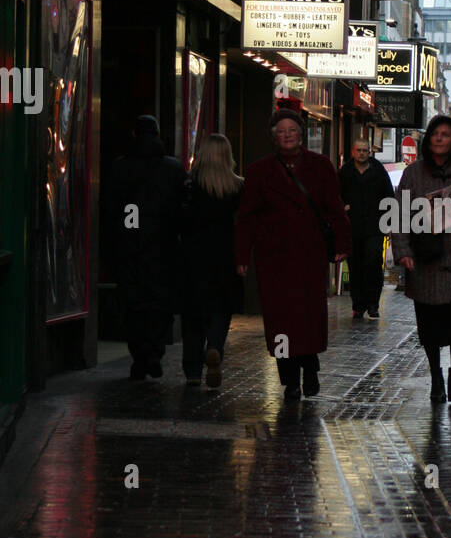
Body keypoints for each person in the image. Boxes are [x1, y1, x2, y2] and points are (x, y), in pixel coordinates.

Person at [234, 108, 350, 400]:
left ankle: (310, 369)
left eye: (292, 130)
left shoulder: (321, 166)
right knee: (281, 319)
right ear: (274, 137)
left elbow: (335, 210)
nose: (286, 135)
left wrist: (341, 246)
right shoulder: (259, 171)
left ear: (301, 134)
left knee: (308, 317)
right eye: (280, 131)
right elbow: (246, 217)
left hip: (309, 255)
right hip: (274, 258)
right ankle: (289, 379)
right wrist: (241, 256)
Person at [392, 114, 451, 403]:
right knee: (428, 325)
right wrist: (403, 251)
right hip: (425, 259)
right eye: (435, 134)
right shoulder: (412, 174)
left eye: (446, 134)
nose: (440, 139)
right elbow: (399, 216)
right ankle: (435, 375)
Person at [105, 114, 185, 380]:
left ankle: (140, 356)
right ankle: (154, 351)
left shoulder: (120, 167)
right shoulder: (172, 168)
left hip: (129, 247)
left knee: (133, 304)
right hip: (162, 247)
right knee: (159, 304)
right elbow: (180, 209)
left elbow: (110, 209)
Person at [179, 134, 244, 387]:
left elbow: (180, 221)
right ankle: (214, 346)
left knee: (193, 315)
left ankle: (193, 370)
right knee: (221, 309)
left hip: (193, 258)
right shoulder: (238, 187)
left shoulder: (189, 186)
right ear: (227, 156)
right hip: (225, 258)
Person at [337, 139, 395, 318]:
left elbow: (389, 197)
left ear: (369, 152)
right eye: (359, 150)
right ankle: (358, 304)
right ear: (353, 152)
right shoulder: (345, 172)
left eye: (365, 150)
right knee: (355, 267)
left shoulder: (378, 171)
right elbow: (336, 195)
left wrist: (389, 223)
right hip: (353, 227)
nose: (362, 153)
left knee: (373, 262)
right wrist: (343, 207)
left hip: (374, 226)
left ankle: (373, 304)